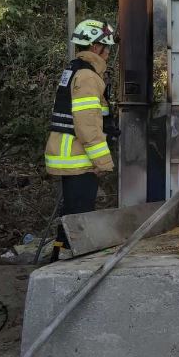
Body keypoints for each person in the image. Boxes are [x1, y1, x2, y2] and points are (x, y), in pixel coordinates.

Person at [45, 19, 116, 261]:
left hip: (70, 153)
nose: (109, 53)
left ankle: (59, 254)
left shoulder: (75, 70)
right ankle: (69, 263)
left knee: (71, 212)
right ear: (96, 47)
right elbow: (87, 125)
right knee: (80, 216)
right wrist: (102, 161)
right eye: (107, 48)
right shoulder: (87, 76)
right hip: (78, 156)